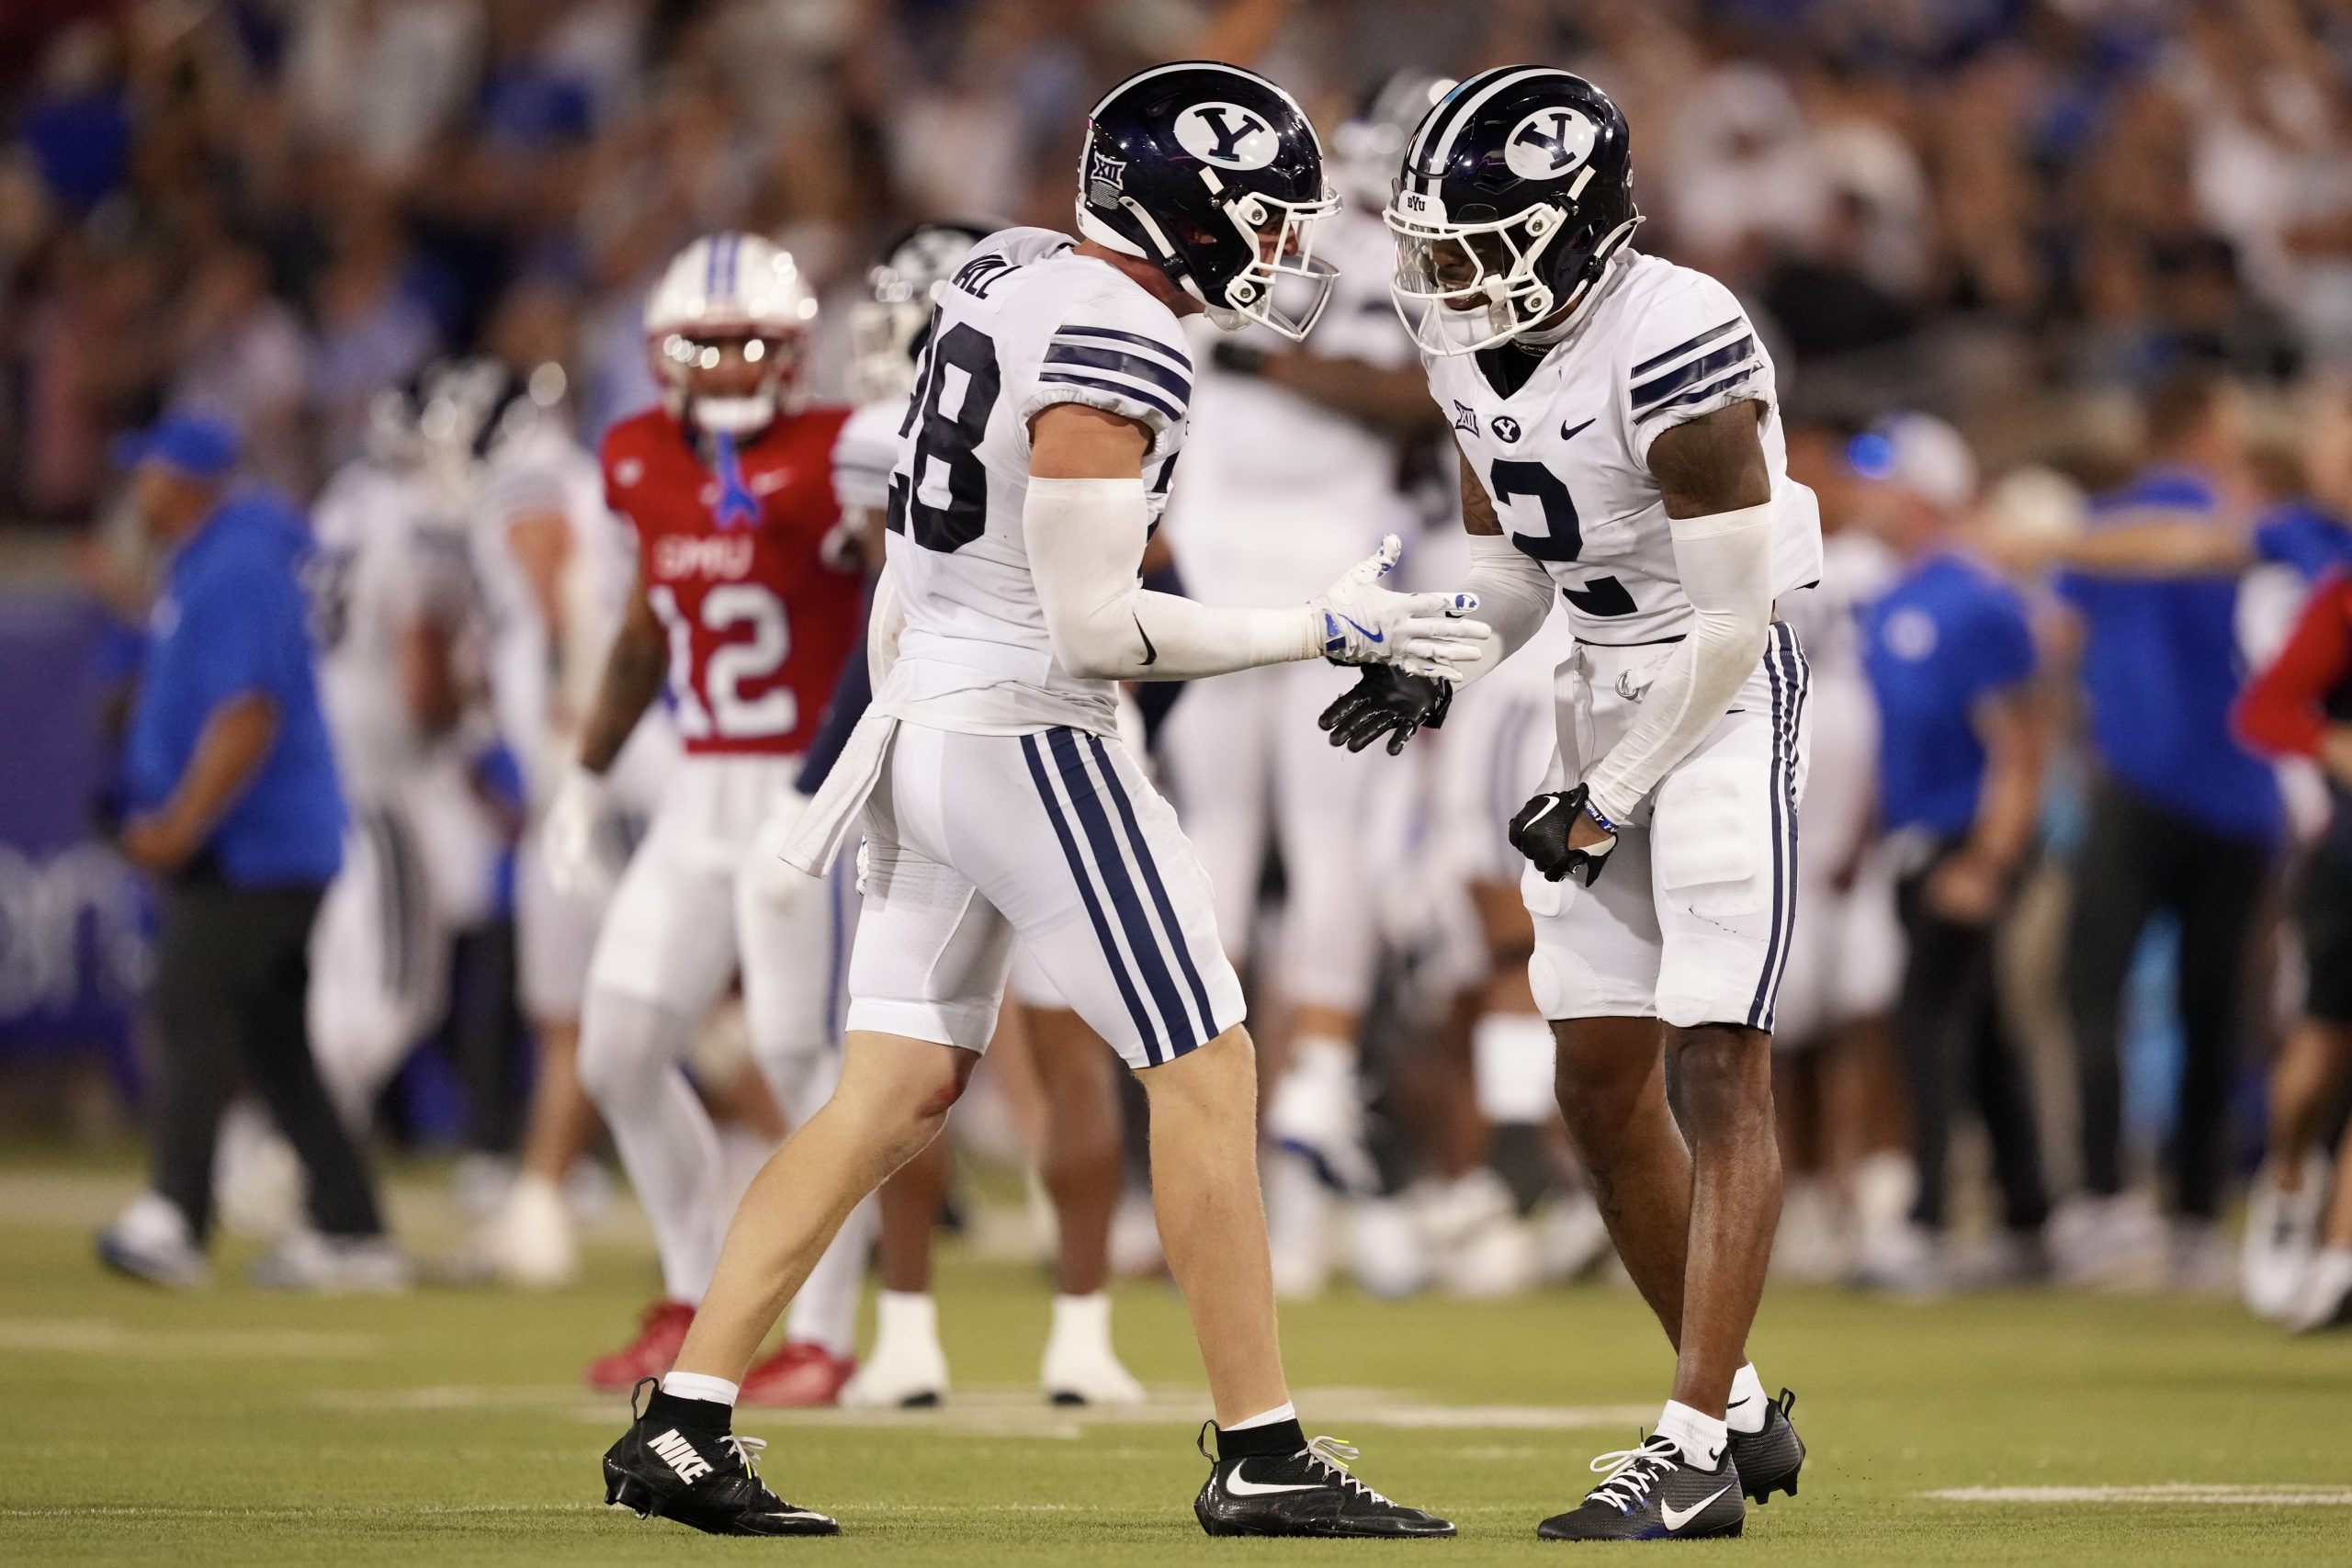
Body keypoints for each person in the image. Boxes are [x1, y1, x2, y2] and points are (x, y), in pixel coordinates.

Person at [596, 61, 1473, 1539]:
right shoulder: (1121, 337)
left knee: (884, 1093)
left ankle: (683, 1420)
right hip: (1028, 733)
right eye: (1257, 218)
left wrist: (896, 711)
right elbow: (1096, 628)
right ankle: (1260, 1448)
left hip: (935, 713)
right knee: (1207, 1068)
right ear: (1178, 209)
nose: (1277, 251)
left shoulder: (1006, 270)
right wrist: (1321, 626)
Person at [1325, 66, 1814, 1540]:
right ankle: (1734, 1410)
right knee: (1596, 1084)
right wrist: (1440, 658)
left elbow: (1728, 621)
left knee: (1718, 1063)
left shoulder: (1678, 338)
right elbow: (1516, 568)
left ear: (1575, 228)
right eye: (1434, 241)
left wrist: (1606, 793)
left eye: (1477, 239)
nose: (1442, 272)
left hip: (1719, 697)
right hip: (1598, 677)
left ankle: (1683, 1443)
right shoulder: (1461, 328)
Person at [548, 233, 874, 1405]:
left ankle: (824, 1337)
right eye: (707, 346)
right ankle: (696, 1298)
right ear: (662, 355)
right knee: (621, 1051)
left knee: (807, 1063)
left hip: (811, 789)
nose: (731, 366)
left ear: (791, 354)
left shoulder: (842, 449)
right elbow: (647, 628)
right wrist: (586, 775)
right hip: (696, 789)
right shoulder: (636, 454)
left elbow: (900, 603)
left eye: (752, 346)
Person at [828, 220, 1147, 1407]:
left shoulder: (886, 432)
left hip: (955, 724)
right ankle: (1080, 1328)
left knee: (911, 1053)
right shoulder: (1099, 376)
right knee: (1082, 1056)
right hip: (1074, 719)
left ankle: (909, 1326)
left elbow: (889, 619)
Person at [1153, 68, 1452, 1298]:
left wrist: (1255, 365)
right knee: (1243, 840)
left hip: (1327, 572)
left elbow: (1412, 400)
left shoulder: (1346, 256)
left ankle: (1298, 1100)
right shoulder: (1341, 252)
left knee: (1319, 841)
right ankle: (1242, 1107)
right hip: (1274, 571)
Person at [95, 412, 403, 1292]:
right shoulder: (217, 558)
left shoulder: (232, 567)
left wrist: (182, 823)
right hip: (272, 843)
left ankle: (175, 1215)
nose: (135, 491)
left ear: (185, 480)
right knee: (275, 1041)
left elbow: (248, 714)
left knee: (189, 1008)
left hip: (253, 847)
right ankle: (351, 1227)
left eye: (146, 473)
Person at [2035, 369, 2280, 1288]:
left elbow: (2056, 645)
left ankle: (2100, 1204)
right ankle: (2189, 1216)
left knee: (2091, 995)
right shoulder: (2246, 519)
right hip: (2240, 796)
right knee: (2214, 1011)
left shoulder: (2107, 531)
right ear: (2205, 427)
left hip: (2136, 790)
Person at [463, 340, 679, 1289]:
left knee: (676, 1003)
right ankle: (541, 1204)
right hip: (595, 775)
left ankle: (840, 1185)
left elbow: (549, 571)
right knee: (579, 1010)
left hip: (596, 774)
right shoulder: (569, 469)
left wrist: (562, 693)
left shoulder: (530, 473)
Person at [1853, 415, 2052, 1292]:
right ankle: (2027, 1214)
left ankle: (1929, 1221)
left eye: (1883, 479)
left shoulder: (1975, 598)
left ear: (1922, 492)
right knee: (1974, 1037)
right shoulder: (1893, 597)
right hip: (1915, 836)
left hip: (1966, 838)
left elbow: (2022, 743)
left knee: (1927, 1029)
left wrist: (1990, 859)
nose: (1867, 494)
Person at [2232, 569, 2352, 1332]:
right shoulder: (2344, 598)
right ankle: (2285, 1185)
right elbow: (2264, 709)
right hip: (2347, 862)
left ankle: (2340, 1258)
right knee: (2317, 1060)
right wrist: (2332, 740)